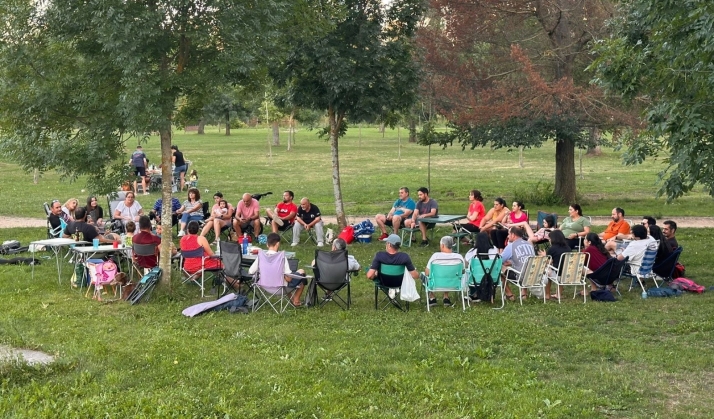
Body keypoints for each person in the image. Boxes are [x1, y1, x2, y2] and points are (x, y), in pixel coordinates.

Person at [248, 232, 307, 306]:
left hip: (265, 287)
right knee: (301, 273)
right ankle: (296, 300)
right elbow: (289, 279)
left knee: (285, 277)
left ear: (267, 244)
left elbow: (250, 271)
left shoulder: (261, 256)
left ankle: (293, 299)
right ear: (278, 244)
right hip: (280, 288)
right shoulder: (281, 257)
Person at [423, 236, 465, 307]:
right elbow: (463, 272)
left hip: (436, 285)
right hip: (454, 285)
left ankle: (432, 297)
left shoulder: (435, 257)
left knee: (424, 276)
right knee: (448, 275)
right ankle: (446, 297)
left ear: (442, 245)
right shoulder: (459, 257)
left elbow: (427, 273)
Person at [500, 227, 535, 301]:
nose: (508, 236)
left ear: (513, 235)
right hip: (533, 276)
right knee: (525, 266)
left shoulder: (511, 246)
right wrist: (512, 262)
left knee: (498, 267)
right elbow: (528, 259)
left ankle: (509, 294)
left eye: (509, 234)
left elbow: (499, 260)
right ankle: (524, 294)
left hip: (520, 278)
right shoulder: (529, 245)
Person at [538, 230, 571, 300]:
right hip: (568, 275)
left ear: (553, 239)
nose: (549, 240)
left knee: (546, 269)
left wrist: (544, 256)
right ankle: (558, 294)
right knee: (561, 269)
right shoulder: (568, 248)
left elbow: (549, 262)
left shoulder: (552, 249)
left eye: (549, 239)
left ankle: (547, 294)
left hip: (558, 275)